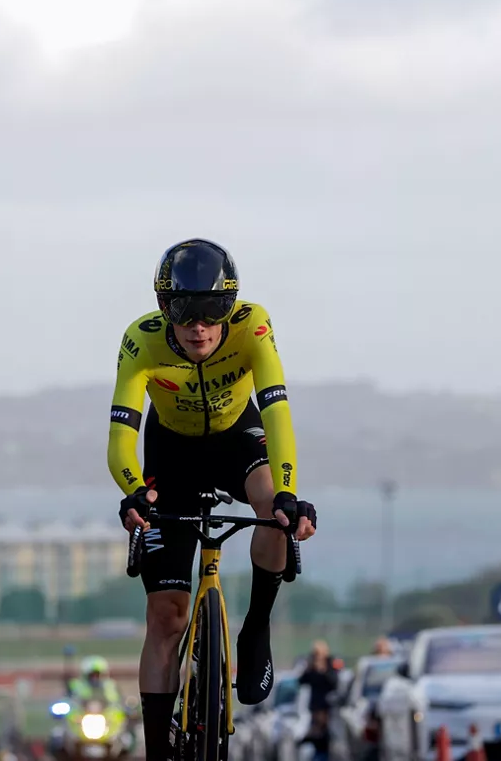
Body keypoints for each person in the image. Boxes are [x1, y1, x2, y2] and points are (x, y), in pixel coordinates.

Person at [108, 239, 317, 761]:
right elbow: (120, 440)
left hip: (235, 437)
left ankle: (257, 627)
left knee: (274, 510)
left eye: (212, 311)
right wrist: (133, 489)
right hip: (170, 452)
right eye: (184, 311)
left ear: (231, 308)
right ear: (164, 310)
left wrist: (289, 492)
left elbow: (277, 414)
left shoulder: (254, 326)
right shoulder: (142, 341)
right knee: (166, 617)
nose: (198, 326)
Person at [298, 641, 340, 761]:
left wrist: (323, 670)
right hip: (315, 706)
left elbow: (334, 682)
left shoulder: (330, 664)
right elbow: (302, 681)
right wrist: (310, 668)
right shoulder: (311, 666)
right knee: (315, 735)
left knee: (327, 736)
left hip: (327, 706)